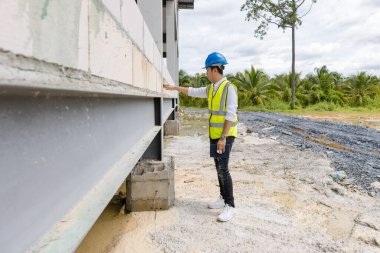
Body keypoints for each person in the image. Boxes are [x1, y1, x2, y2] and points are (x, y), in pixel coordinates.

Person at [164, 52, 238, 222]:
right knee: (218, 167)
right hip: (215, 135)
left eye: (207, 70)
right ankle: (222, 197)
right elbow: (193, 91)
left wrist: (223, 138)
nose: (206, 73)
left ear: (214, 69)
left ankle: (230, 205)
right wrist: (175, 88)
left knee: (223, 169)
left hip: (225, 136)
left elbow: (230, 114)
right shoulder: (212, 88)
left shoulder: (229, 88)